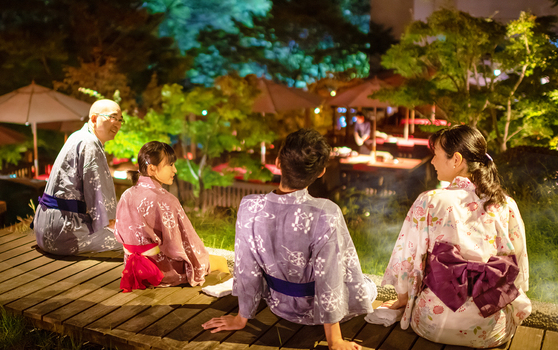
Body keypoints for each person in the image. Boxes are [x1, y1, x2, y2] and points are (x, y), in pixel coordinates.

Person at [202, 129, 376, 350]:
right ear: (321, 171)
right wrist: (335, 341)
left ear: (277, 162)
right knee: (368, 286)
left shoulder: (249, 206)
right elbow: (329, 276)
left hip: (277, 304)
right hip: (316, 313)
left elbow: (246, 267)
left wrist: (241, 317)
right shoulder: (325, 212)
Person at [380, 125, 530, 348]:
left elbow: (407, 259)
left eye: (436, 155)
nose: (432, 161)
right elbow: (518, 264)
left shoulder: (429, 200)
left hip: (432, 324)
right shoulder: (504, 203)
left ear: (456, 159)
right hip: (489, 330)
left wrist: (403, 299)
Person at [115, 141, 213, 292]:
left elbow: (119, 234)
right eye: (170, 164)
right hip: (159, 270)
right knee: (214, 261)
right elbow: (177, 246)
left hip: (133, 267)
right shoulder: (166, 200)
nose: (175, 170)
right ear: (152, 168)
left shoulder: (126, 195)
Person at [32, 99, 123, 255]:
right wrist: (111, 222)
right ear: (94, 118)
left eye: (121, 120)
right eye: (113, 118)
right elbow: (96, 193)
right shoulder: (90, 144)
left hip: (44, 229)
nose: (118, 124)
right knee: (131, 239)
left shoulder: (77, 136)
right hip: (63, 233)